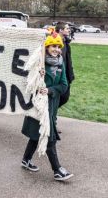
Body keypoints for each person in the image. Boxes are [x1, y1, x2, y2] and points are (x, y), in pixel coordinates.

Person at [21, 32, 73, 181]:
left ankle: (26, 159)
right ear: (47, 47)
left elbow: (64, 85)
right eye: (53, 46)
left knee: (38, 134)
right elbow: (28, 82)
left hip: (51, 105)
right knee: (47, 135)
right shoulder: (39, 62)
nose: (56, 49)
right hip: (39, 105)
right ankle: (57, 170)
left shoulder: (60, 62)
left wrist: (50, 90)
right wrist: (38, 76)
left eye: (58, 46)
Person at [55, 22, 74, 108]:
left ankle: (50, 111)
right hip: (58, 74)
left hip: (66, 73)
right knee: (60, 96)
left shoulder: (65, 42)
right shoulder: (55, 43)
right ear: (61, 30)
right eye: (67, 28)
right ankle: (50, 113)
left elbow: (68, 60)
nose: (69, 30)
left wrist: (70, 74)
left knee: (65, 97)